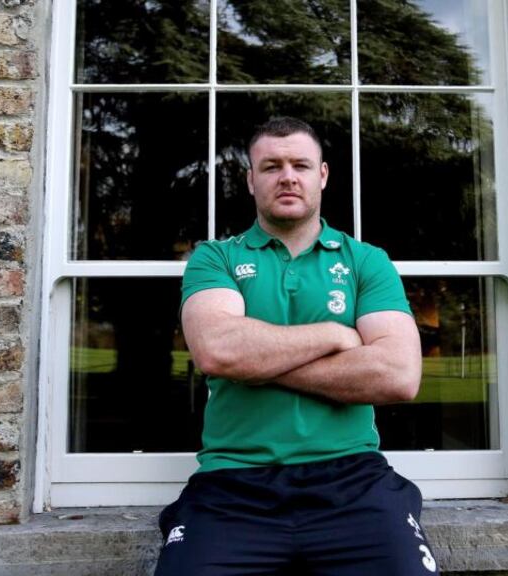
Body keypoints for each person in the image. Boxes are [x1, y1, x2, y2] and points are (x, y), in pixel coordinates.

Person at [154, 117, 439, 575]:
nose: (287, 176)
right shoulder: (216, 257)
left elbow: (398, 375)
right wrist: (335, 335)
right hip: (232, 484)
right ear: (251, 180)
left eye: (300, 165)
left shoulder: (365, 261)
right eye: (271, 166)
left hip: (352, 478)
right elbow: (217, 351)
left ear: (321, 175)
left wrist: (257, 361)